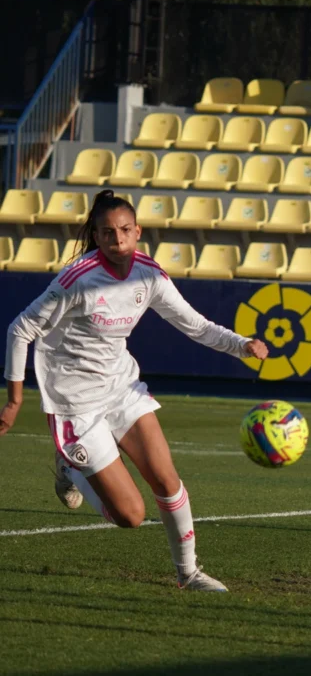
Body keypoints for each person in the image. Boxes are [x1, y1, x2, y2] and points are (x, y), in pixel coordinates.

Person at [0, 190, 269, 591]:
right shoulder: (77, 280)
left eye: (125, 230)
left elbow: (194, 324)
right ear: (97, 235)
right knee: (130, 516)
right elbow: (20, 329)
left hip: (122, 387)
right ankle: (70, 466)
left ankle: (189, 574)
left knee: (167, 480)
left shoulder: (149, 275)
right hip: (75, 402)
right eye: (108, 233)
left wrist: (241, 344)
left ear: (138, 231)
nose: (118, 240)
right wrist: (15, 399)